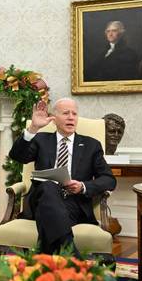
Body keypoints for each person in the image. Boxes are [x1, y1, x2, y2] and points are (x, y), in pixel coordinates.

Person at [9, 98, 116, 256]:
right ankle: (72, 256)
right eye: (66, 113)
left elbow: (109, 179)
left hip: (74, 203)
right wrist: (33, 128)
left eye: (74, 113)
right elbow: (18, 156)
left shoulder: (91, 145)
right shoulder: (41, 139)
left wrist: (83, 186)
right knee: (48, 186)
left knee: (49, 219)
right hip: (41, 199)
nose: (71, 117)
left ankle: (49, 261)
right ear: (54, 118)